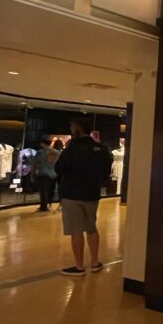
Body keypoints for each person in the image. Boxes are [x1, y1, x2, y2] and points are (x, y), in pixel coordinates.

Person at [55, 117, 113, 276]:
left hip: (72, 194)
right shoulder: (101, 149)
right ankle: (95, 262)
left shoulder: (72, 149)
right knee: (91, 227)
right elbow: (106, 172)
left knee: (76, 231)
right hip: (92, 193)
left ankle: (79, 266)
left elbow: (59, 168)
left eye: (72, 127)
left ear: (77, 129)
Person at [33, 136, 59, 212]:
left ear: (42, 143)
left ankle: (44, 207)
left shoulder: (40, 152)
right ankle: (50, 204)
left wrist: (33, 174)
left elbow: (34, 164)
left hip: (43, 174)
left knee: (43, 191)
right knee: (51, 190)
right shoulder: (57, 152)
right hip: (54, 174)